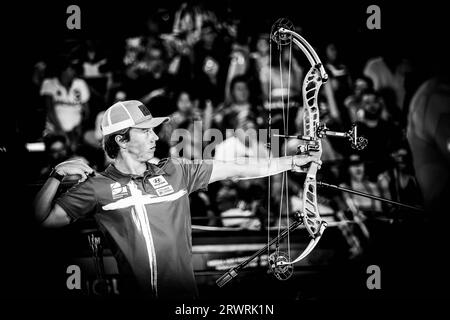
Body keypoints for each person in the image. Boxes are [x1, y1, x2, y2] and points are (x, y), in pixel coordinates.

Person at [33, 100, 320, 300]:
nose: (154, 137)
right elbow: (40, 221)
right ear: (121, 140)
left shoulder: (176, 170)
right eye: (144, 131)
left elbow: (238, 167)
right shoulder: (97, 187)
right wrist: (56, 176)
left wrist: (293, 161)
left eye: (153, 130)